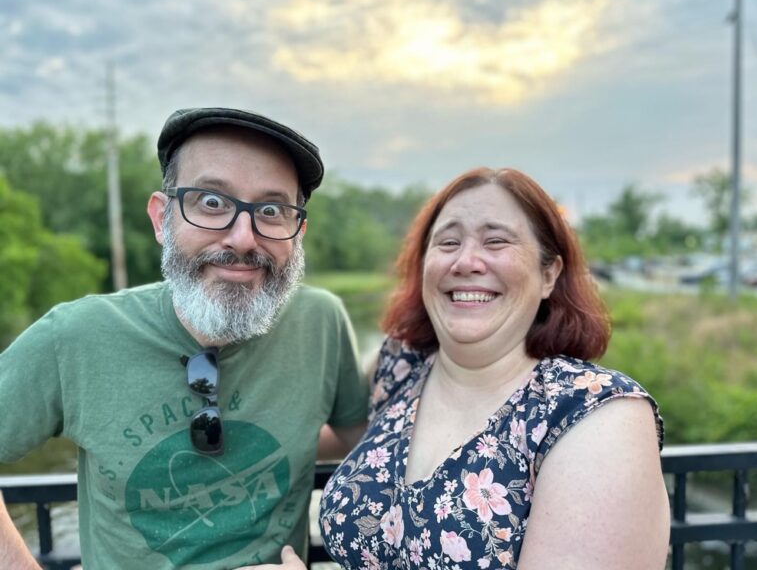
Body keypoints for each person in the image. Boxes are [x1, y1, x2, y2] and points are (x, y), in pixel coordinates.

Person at [0, 107, 369, 569]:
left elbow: (367, 440)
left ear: (298, 234)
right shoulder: (74, 337)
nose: (242, 238)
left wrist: (426, 361)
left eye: (271, 211)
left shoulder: (322, 323)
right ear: (162, 218)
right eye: (212, 203)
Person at [316, 167, 670, 569]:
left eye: (496, 241)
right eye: (448, 242)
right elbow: (319, 436)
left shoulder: (596, 417)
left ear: (548, 274)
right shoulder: (399, 366)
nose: (466, 261)